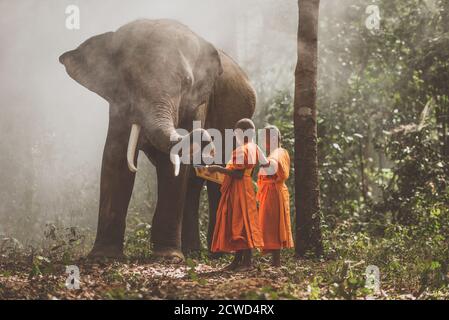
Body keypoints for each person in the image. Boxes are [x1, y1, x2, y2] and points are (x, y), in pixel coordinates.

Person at [205, 118, 268, 271]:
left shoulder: (243, 149)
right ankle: (237, 260)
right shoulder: (255, 148)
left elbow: (238, 174)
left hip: (240, 188)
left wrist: (217, 169)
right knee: (241, 222)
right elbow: (264, 163)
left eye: (236, 132)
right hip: (246, 187)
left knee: (242, 223)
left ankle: (246, 262)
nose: (235, 135)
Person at [257, 125, 294, 267]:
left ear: (273, 138)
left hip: (274, 192)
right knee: (270, 225)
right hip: (271, 191)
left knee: (274, 225)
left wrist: (258, 155)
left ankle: (276, 261)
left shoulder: (278, 152)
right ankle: (274, 260)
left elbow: (272, 167)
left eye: (265, 138)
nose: (264, 142)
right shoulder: (277, 152)